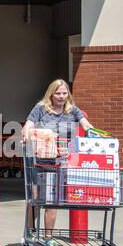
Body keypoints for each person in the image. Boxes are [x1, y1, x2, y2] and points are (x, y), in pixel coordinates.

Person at [21, 79, 96, 235]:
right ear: (51, 94)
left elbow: (86, 125)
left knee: (52, 201)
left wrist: (97, 136)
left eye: (64, 93)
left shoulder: (73, 110)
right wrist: (28, 134)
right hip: (41, 161)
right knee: (35, 199)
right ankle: (30, 230)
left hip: (62, 162)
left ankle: (48, 236)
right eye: (58, 93)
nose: (61, 96)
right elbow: (28, 126)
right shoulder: (41, 109)